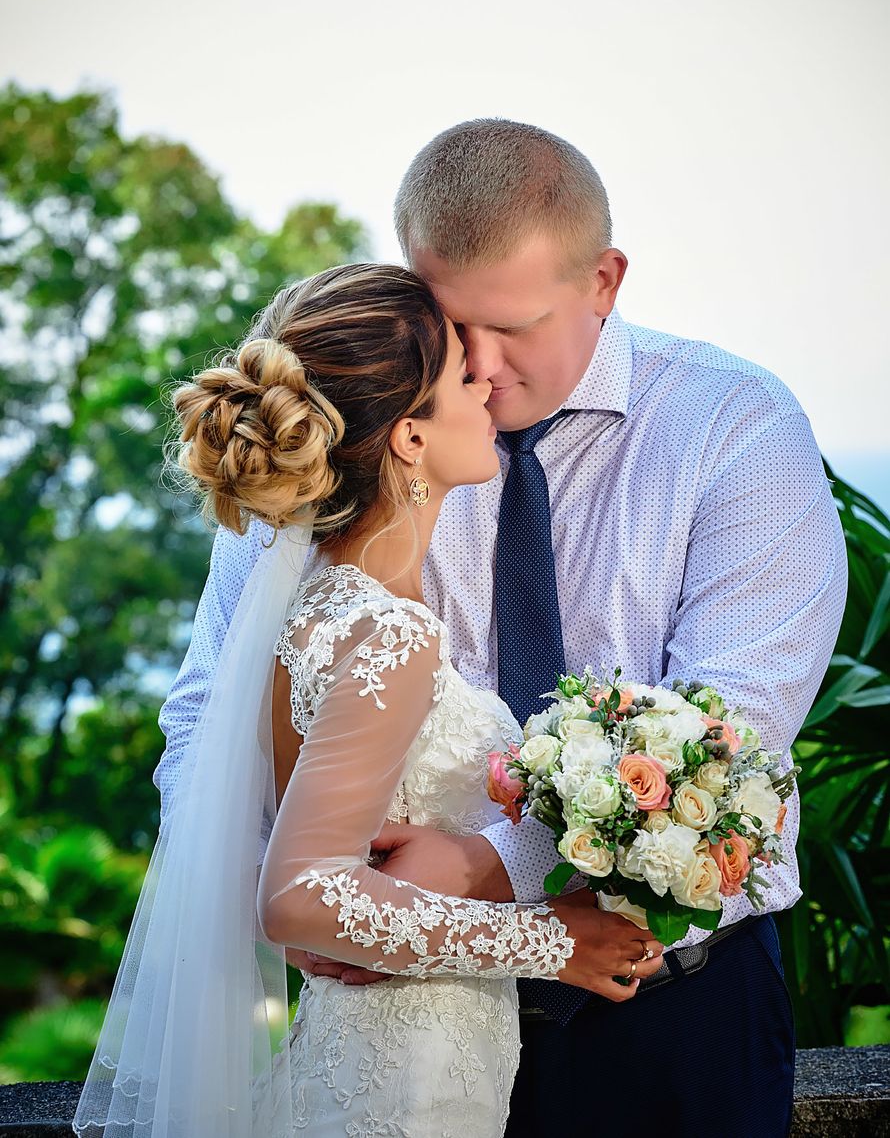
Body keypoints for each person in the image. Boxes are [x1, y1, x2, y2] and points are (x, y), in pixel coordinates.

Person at [154, 121, 847, 1138]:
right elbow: (205, 718)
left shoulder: (733, 428)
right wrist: (300, 892)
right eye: (449, 320)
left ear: (602, 280)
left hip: (670, 1008)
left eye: (509, 326)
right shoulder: (341, 441)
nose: (475, 365)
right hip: (396, 1021)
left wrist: (485, 863)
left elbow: (731, 737)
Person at [74, 262, 665, 1138]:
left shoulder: (313, 609)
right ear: (410, 439)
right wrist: (557, 943)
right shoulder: (389, 632)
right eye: (465, 377)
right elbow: (301, 894)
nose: (490, 388)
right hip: (404, 1085)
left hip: (385, 1058)